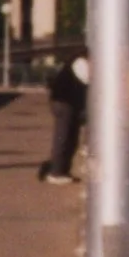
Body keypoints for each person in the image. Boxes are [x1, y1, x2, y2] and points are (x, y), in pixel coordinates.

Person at [39, 46, 89, 184]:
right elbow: (88, 81)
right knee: (63, 137)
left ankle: (63, 171)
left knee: (70, 137)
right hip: (64, 102)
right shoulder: (81, 62)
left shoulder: (81, 60)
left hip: (67, 102)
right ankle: (56, 172)